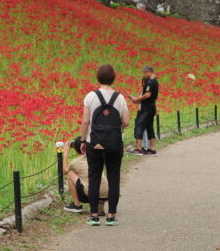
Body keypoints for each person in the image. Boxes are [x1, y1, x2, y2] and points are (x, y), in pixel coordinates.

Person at [81, 64, 130, 225]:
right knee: (113, 178)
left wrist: (83, 140)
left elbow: (86, 121)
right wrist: (114, 129)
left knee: (94, 178)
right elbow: (126, 122)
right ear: (113, 77)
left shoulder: (90, 96)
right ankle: (111, 215)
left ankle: (94, 215)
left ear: (98, 77)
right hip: (115, 144)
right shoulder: (120, 98)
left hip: (93, 143)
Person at [63, 137, 108, 214]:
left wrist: (65, 153)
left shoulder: (76, 162)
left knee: (70, 174)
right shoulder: (97, 157)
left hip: (89, 193)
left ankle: (77, 205)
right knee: (86, 175)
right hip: (106, 193)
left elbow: (65, 171)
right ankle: (99, 203)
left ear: (76, 149)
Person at [129, 66, 160, 156]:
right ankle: (152, 149)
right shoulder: (155, 81)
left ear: (148, 72)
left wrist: (137, 99)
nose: (144, 75)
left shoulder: (151, 82)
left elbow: (147, 95)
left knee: (139, 125)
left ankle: (139, 149)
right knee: (149, 127)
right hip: (152, 107)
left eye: (144, 73)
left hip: (146, 108)